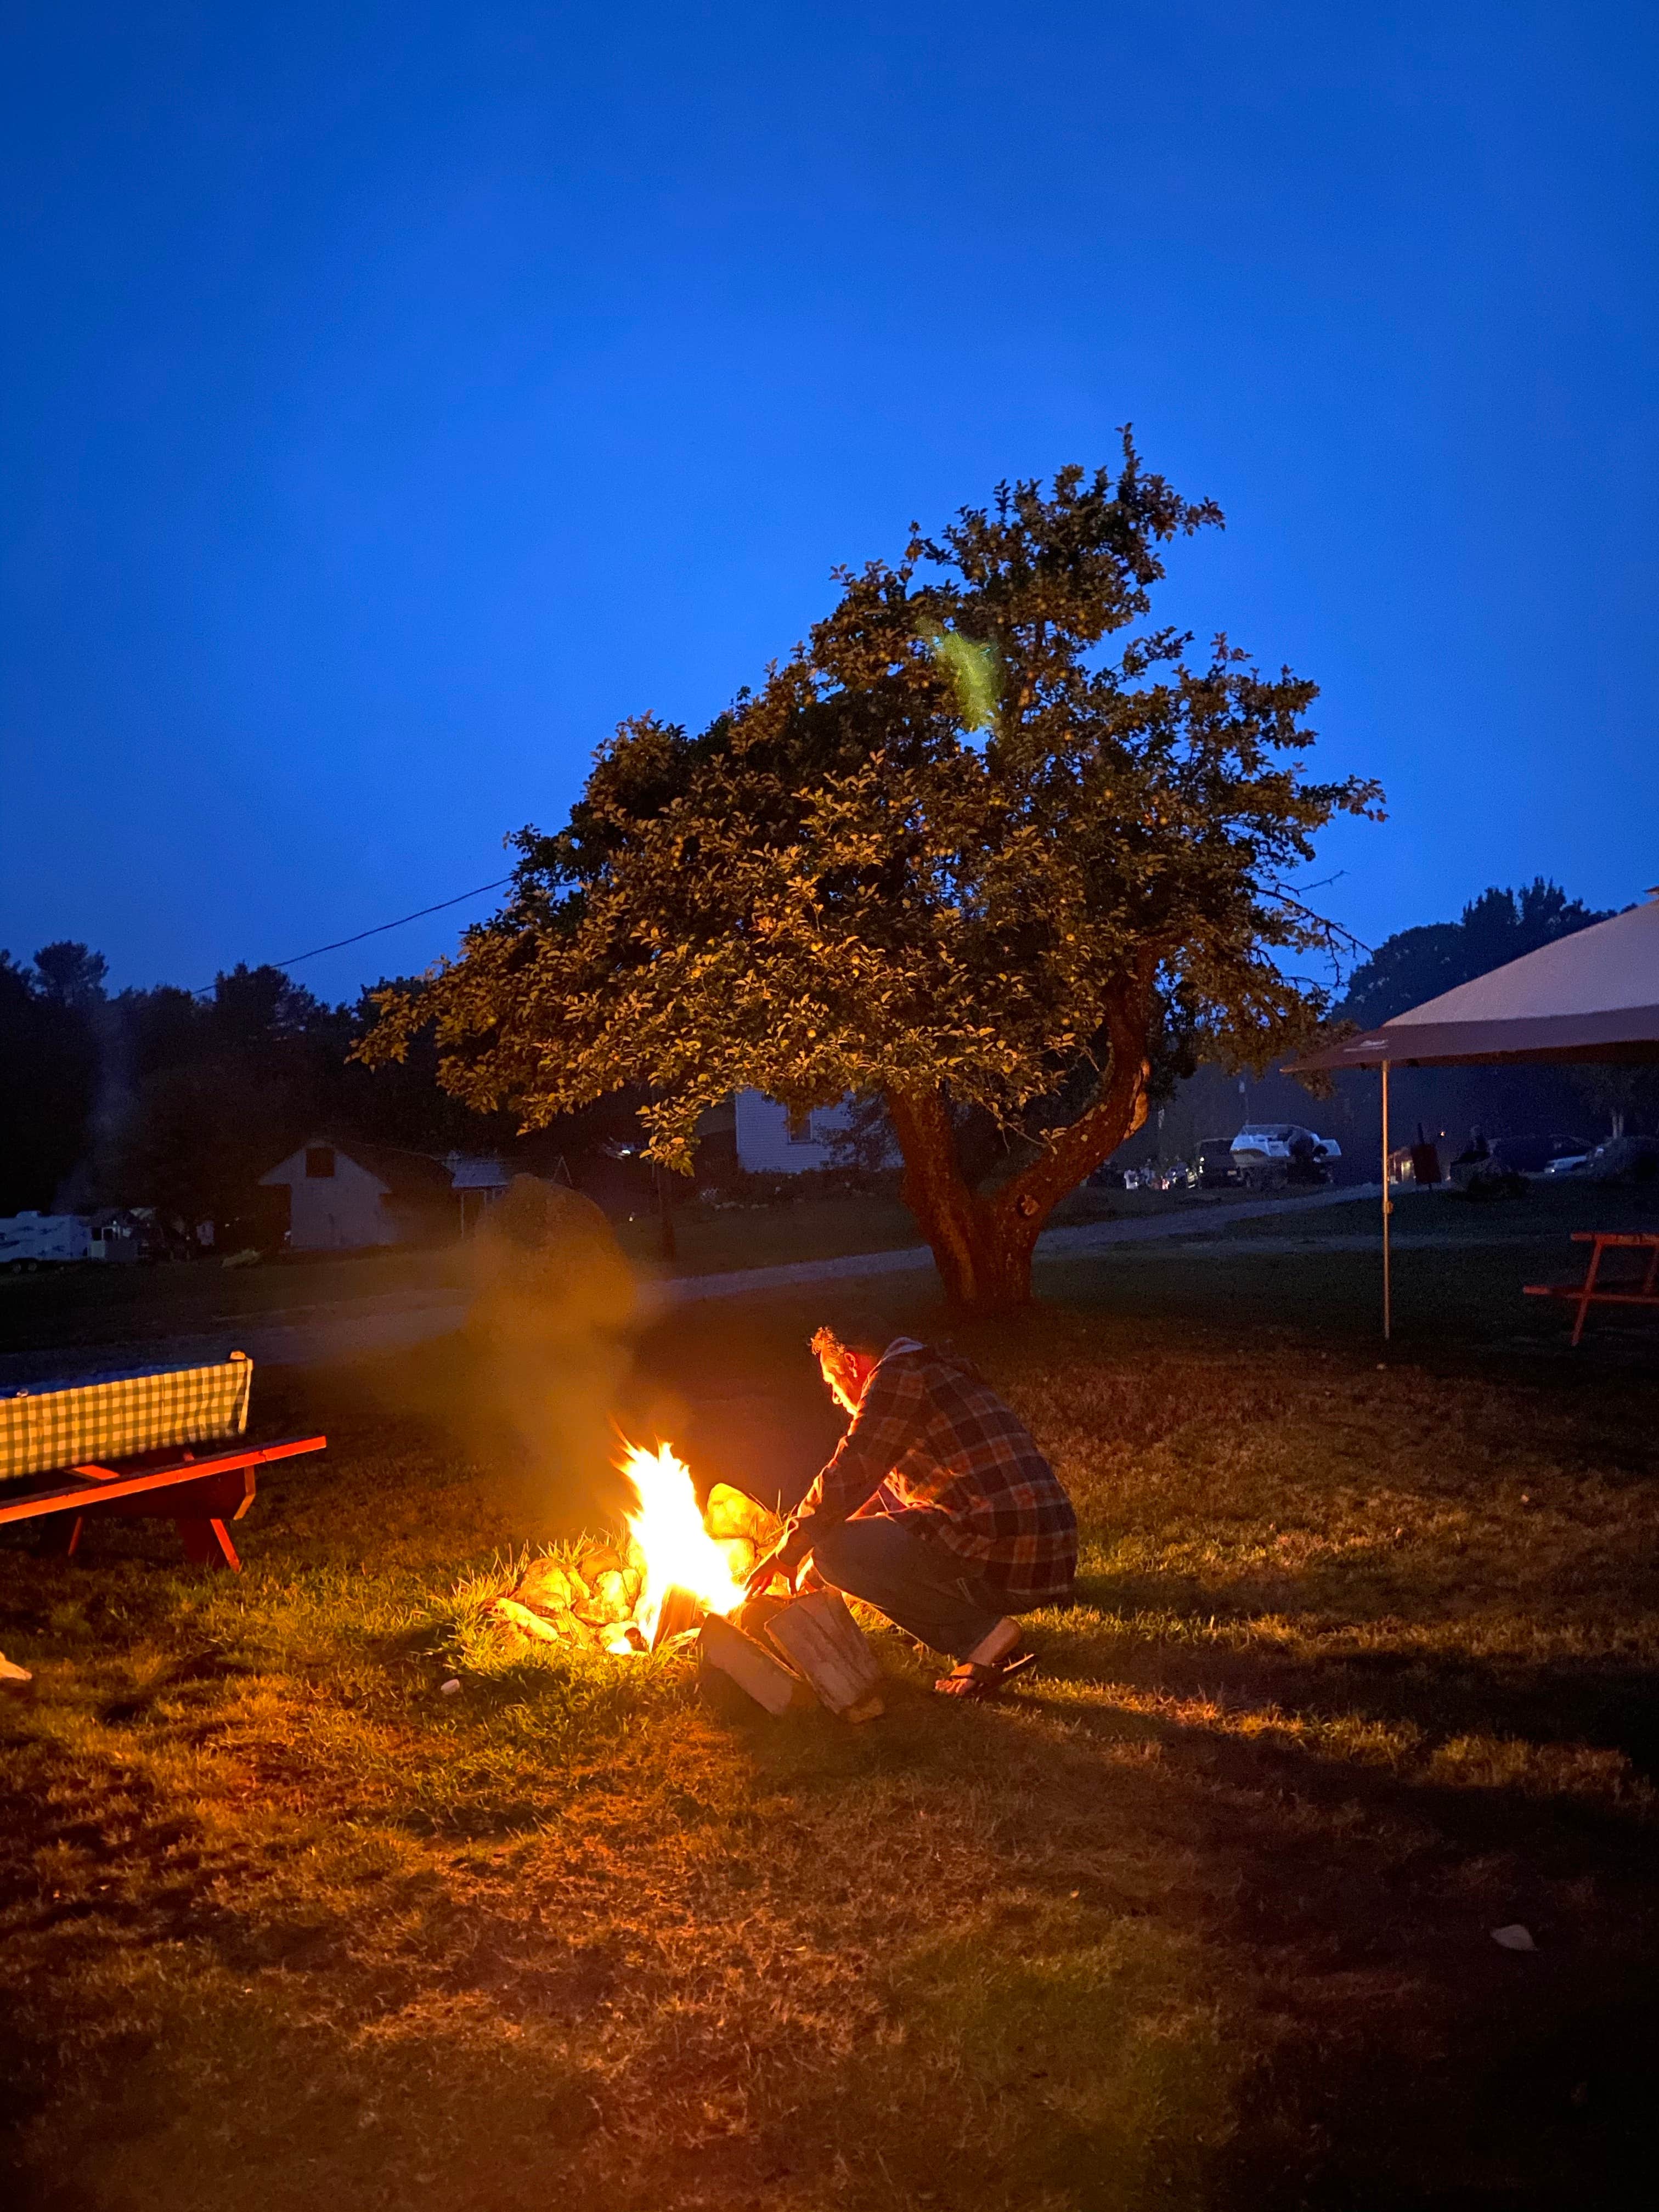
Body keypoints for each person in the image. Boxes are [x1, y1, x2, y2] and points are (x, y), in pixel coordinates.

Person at [746, 1307, 1077, 1699]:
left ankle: (979, 1637)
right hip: (1048, 1559)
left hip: (1011, 1560)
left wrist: (793, 1548)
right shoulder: (937, 1368)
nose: (836, 1399)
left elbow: (852, 1470)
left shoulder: (896, 1378)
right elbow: (875, 1491)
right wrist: (815, 1567)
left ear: (851, 1363)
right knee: (832, 1555)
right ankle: (979, 1625)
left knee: (833, 1552)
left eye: (833, 1384)